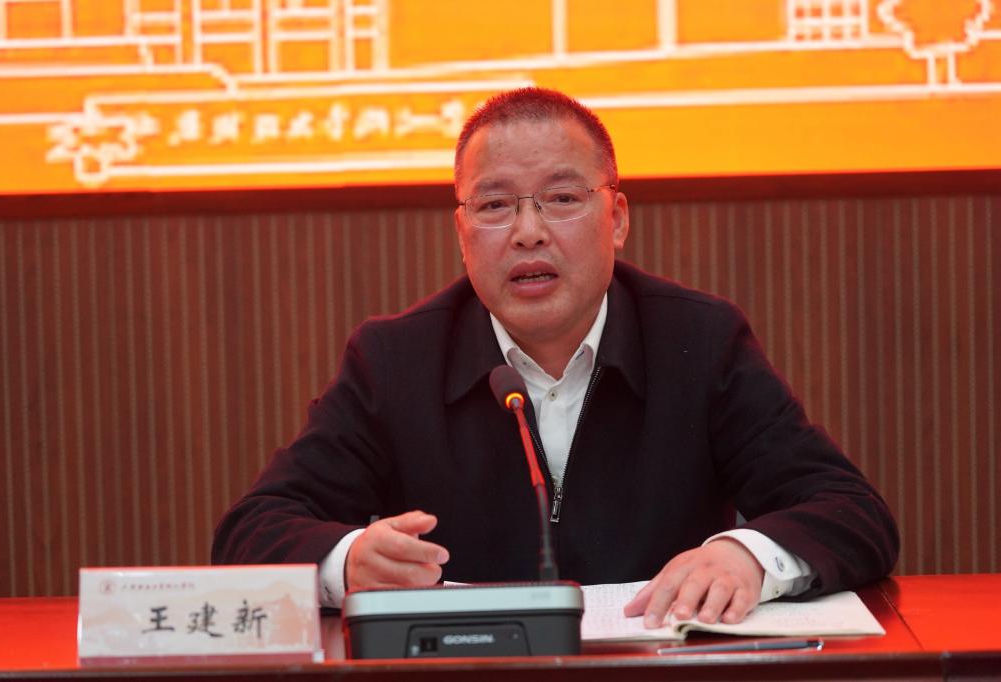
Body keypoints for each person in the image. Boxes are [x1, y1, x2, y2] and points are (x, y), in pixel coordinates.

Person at [212, 87, 898, 628]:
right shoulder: (395, 359)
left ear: (617, 219)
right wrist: (349, 562)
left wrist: (745, 556)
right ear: (462, 231)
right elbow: (253, 530)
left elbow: (850, 511)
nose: (528, 232)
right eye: (494, 205)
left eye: (563, 199)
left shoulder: (698, 341)